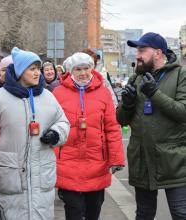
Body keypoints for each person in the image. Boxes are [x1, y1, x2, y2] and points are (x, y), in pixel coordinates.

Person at [0, 47, 70, 220]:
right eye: (32, 69)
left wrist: (56, 133)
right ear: (19, 71)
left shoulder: (48, 97)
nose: (37, 73)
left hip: (42, 176)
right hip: (10, 176)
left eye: (38, 69)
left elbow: (63, 122)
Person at [116, 32, 186, 219]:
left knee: (181, 213)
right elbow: (121, 120)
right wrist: (127, 104)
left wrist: (154, 94)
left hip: (175, 161)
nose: (137, 55)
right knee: (144, 214)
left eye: (142, 50)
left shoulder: (180, 74)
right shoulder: (136, 79)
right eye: (137, 50)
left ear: (158, 52)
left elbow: (182, 112)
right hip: (142, 159)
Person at [53, 52, 124, 220]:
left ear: (92, 69)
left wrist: (116, 159)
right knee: (74, 212)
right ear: (71, 71)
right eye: (78, 69)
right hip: (67, 164)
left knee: (93, 212)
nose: (83, 73)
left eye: (87, 68)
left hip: (96, 164)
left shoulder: (103, 93)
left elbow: (112, 128)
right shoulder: (58, 93)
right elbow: (51, 125)